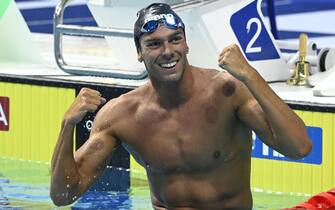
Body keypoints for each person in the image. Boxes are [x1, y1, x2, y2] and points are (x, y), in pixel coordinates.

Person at [50, 3, 312, 209]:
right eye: (154, 44)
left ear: (186, 44)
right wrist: (66, 126)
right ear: (139, 52)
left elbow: (300, 148)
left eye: (175, 39)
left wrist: (251, 75)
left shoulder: (228, 91)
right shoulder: (121, 116)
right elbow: (64, 195)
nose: (167, 51)